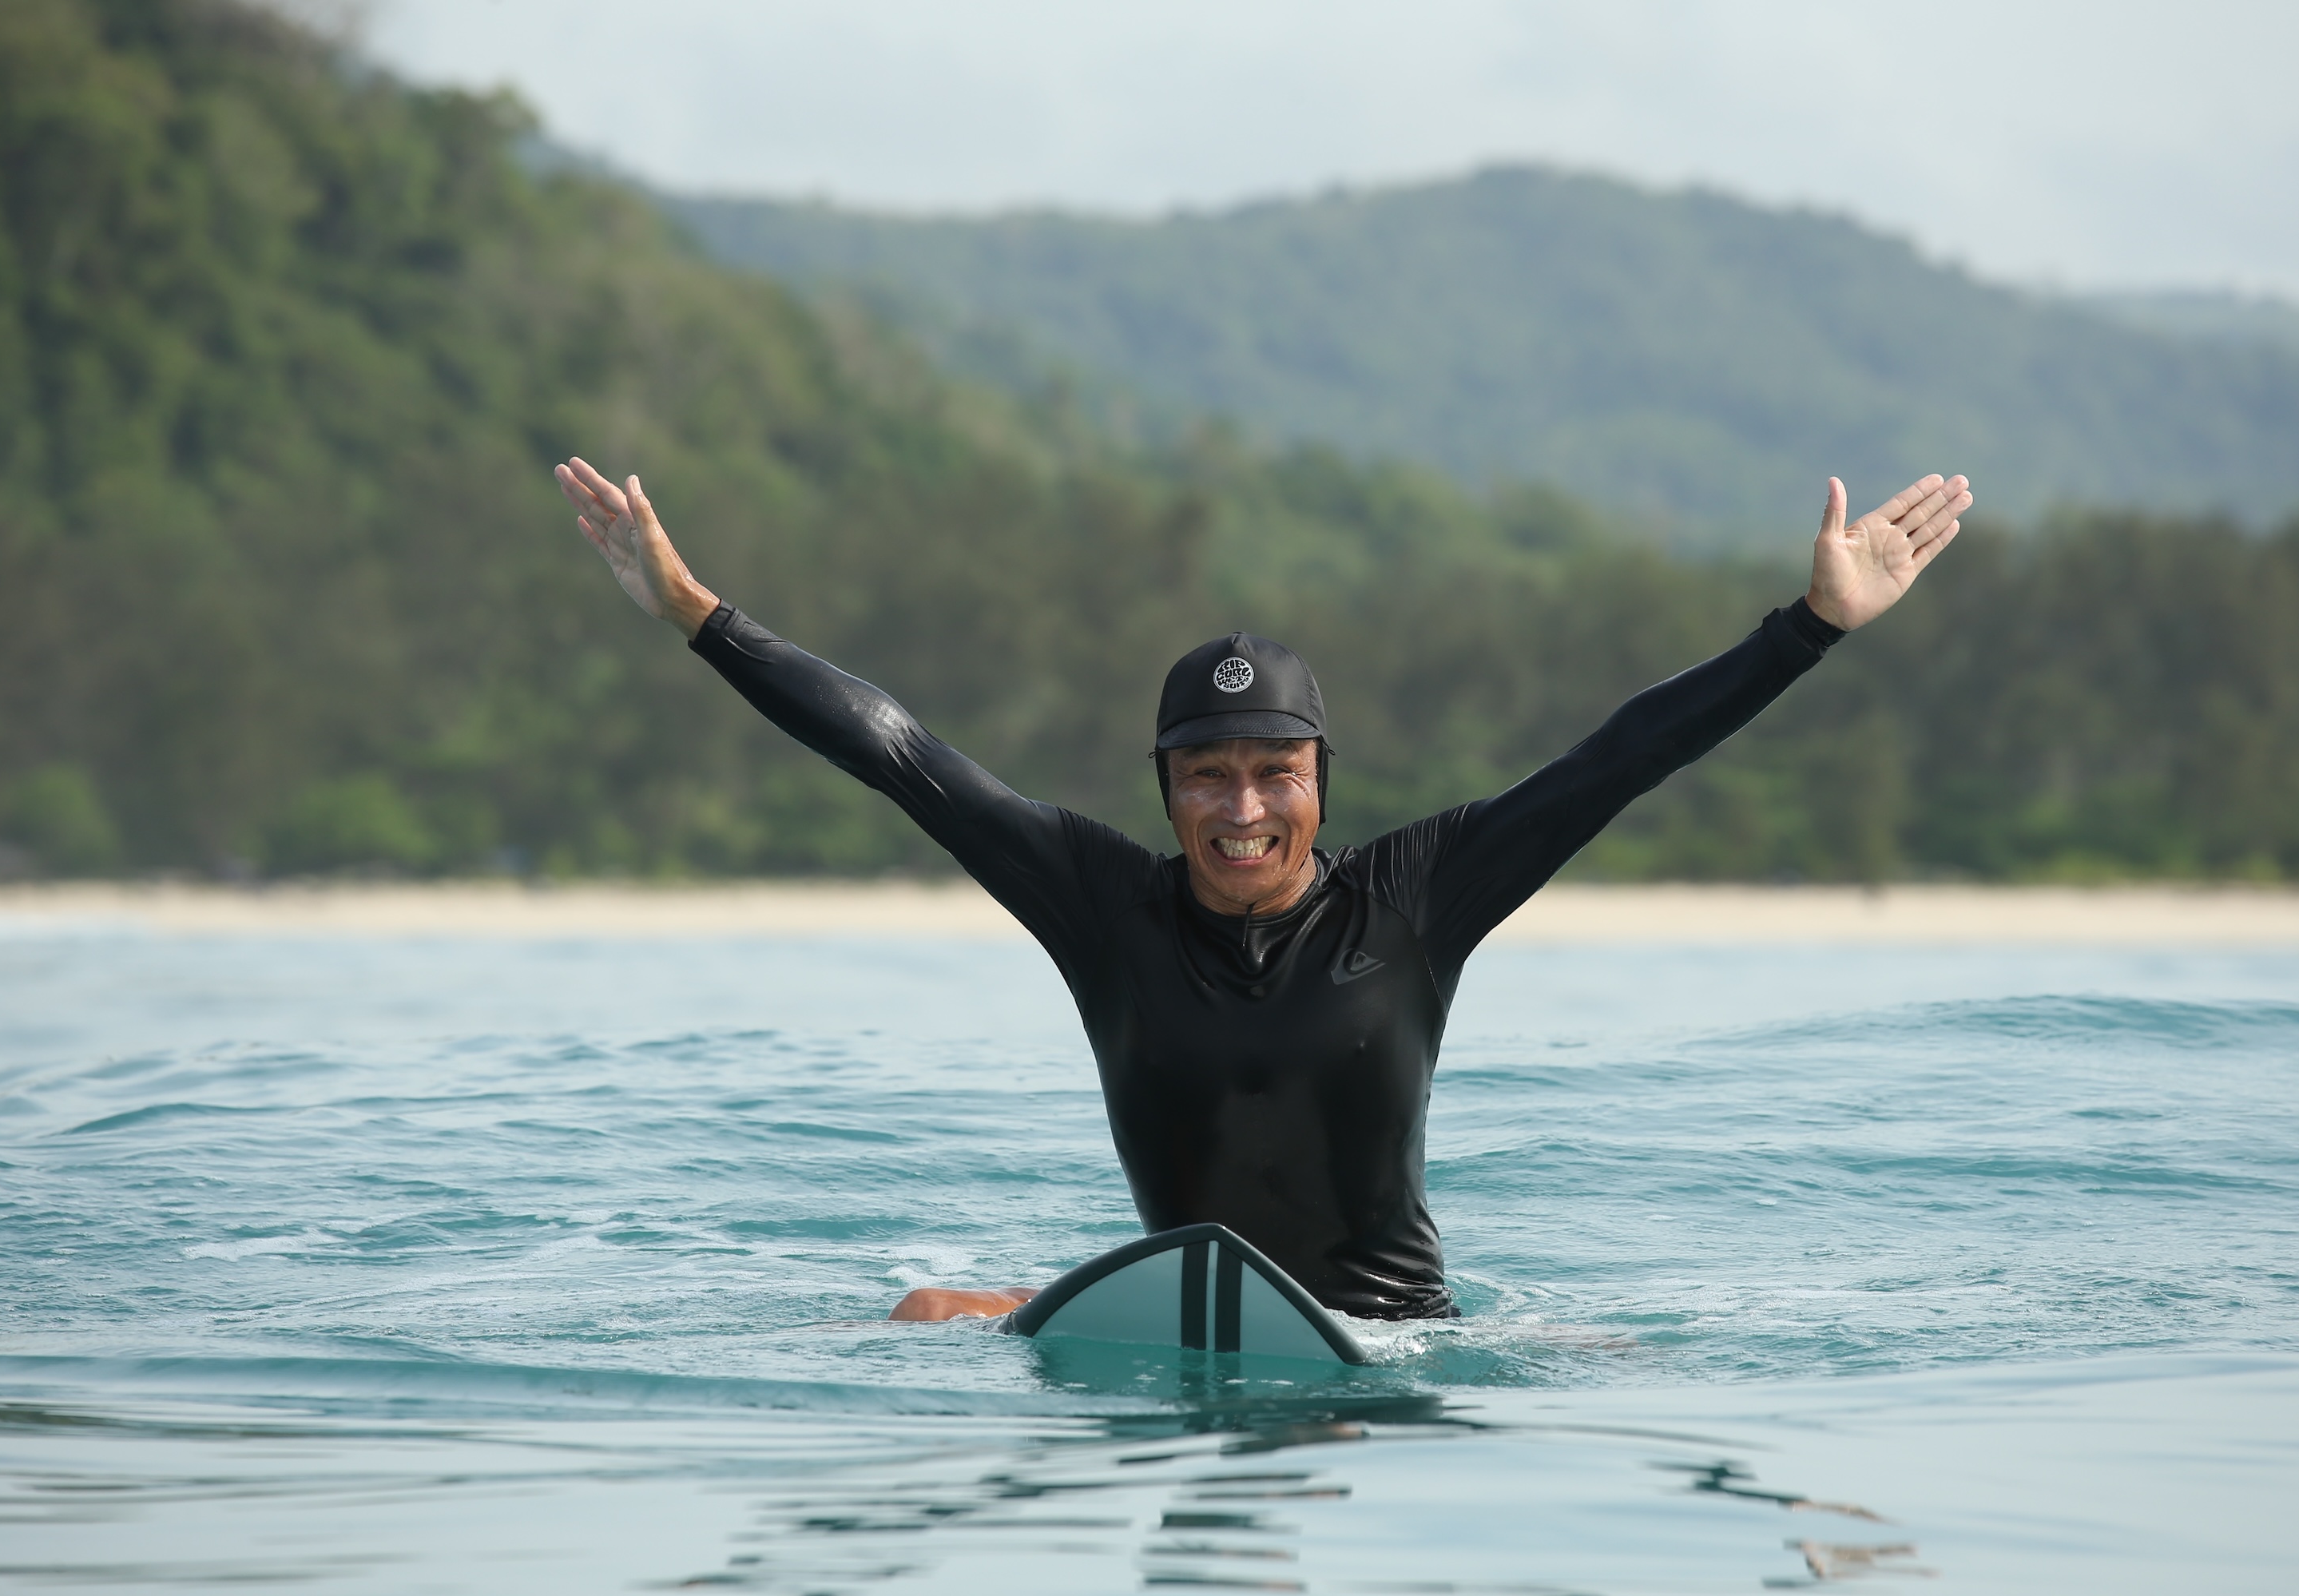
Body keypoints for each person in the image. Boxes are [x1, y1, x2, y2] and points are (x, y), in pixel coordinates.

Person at [555, 457, 1971, 1323]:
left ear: (1320, 781)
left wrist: (1806, 630)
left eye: (1274, 773)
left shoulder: (1417, 898)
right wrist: (700, 618)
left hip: (1386, 1333)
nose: (1242, 809)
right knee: (925, 1310)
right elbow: (903, 757)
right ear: (1165, 789)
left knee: (1611, 1367)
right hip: (1184, 1311)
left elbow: (1618, 758)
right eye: (1208, 776)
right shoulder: (1103, 906)